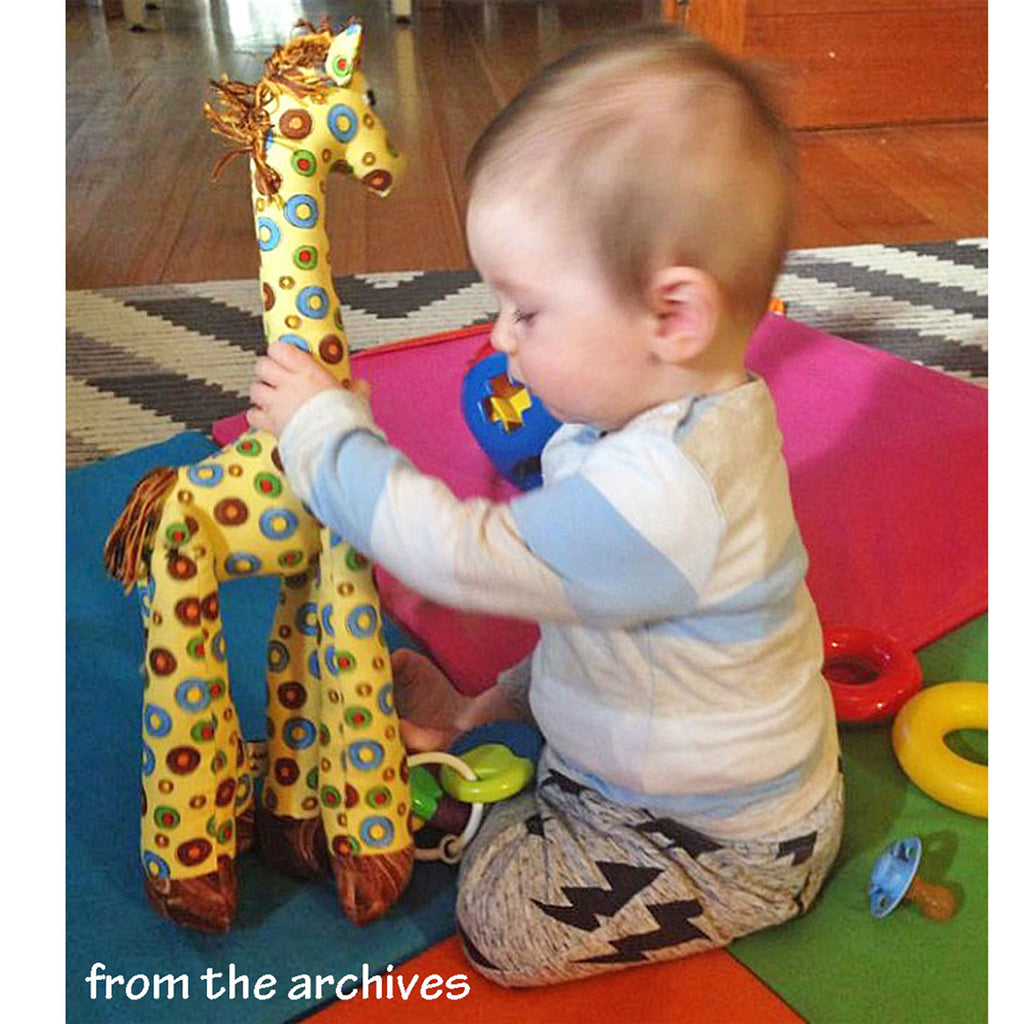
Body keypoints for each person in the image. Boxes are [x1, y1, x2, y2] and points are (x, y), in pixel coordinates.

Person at [248, 23, 843, 988]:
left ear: (673, 317)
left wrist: (324, 437)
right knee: (567, 642)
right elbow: (586, 592)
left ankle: (488, 805)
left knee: (497, 928)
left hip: (712, 840)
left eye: (526, 309)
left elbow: (458, 555)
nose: (498, 337)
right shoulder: (655, 412)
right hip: (638, 724)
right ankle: (492, 735)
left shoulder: (666, 494)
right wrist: (491, 705)